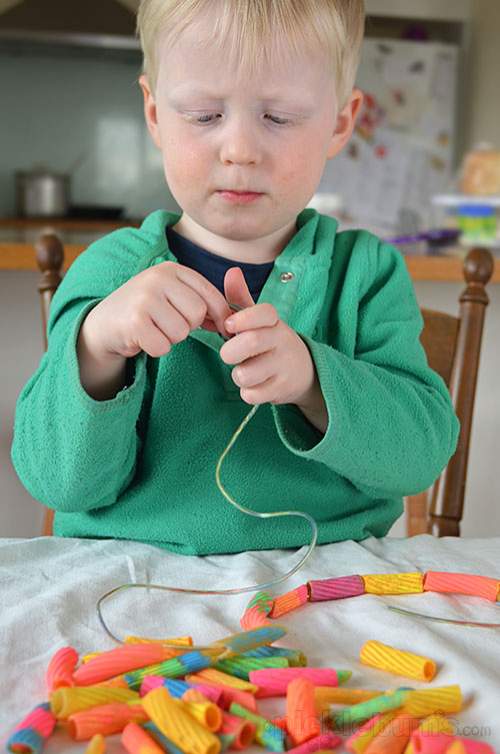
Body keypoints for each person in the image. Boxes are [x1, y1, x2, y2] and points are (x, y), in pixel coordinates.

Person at [11, 0, 459, 555]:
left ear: (341, 122)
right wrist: (98, 348)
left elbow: (419, 457)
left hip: (321, 583)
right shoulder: (106, 272)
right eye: (204, 115)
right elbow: (55, 482)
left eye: (279, 117)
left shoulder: (366, 275)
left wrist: (313, 382)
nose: (241, 150)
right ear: (154, 114)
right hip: (133, 580)